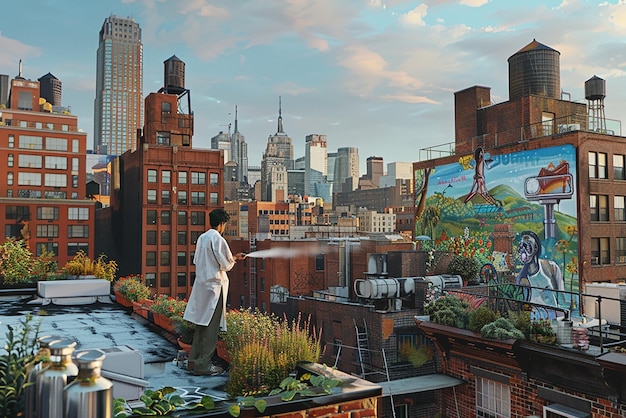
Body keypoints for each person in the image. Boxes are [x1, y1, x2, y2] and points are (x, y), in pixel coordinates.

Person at [183, 208, 246, 375]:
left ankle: (193, 361)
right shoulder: (217, 239)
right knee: (211, 329)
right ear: (222, 224)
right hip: (215, 289)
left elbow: (199, 260)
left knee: (201, 326)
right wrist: (233, 260)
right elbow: (225, 265)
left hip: (202, 287)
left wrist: (233, 257)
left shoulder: (202, 238)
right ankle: (204, 366)